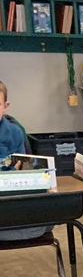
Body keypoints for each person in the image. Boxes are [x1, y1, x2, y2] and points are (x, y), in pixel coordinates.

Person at [0, 79, 49, 242]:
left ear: (5, 105)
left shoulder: (14, 131)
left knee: (52, 214)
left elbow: (21, 166)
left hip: (9, 194)